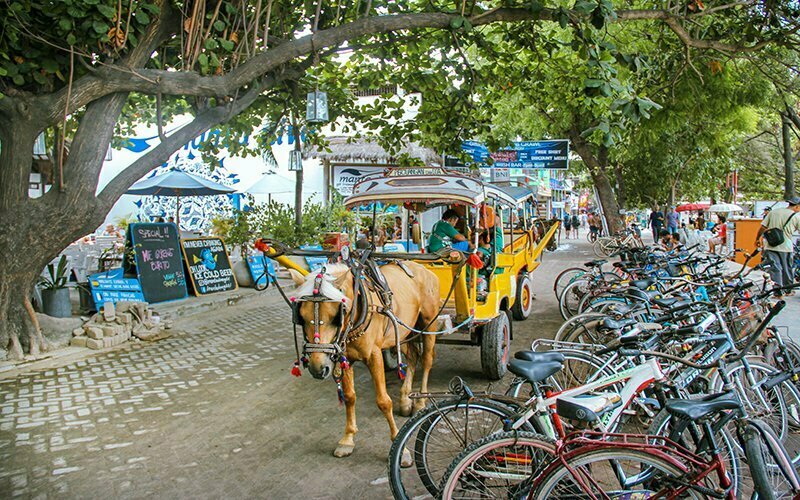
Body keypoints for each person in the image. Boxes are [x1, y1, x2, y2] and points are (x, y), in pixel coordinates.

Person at [756, 197, 800, 295]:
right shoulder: (796, 216)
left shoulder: (773, 212)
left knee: (775, 268)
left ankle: (777, 292)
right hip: (786, 246)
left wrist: (757, 239)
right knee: (786, 268)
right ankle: (788, 290)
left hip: (770, 245)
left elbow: (763, 227)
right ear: (797, 206)